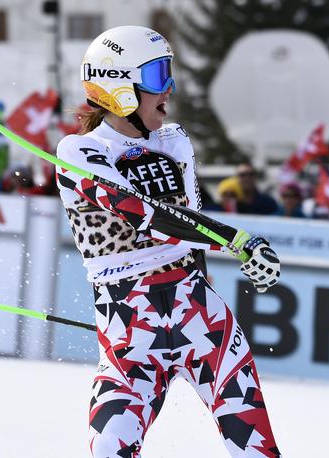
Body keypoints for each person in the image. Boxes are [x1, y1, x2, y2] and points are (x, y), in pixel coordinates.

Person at [56, 26, 282, 457]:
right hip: (129, 327)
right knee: (108, 451)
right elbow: (143, 214)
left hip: (200, 316)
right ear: (118, 87)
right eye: (159, 76)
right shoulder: (78, 152)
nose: (170, 88)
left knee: (257, 451)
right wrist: (238, 241)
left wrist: (196, 296)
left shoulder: (173, 141)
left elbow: (189, 225)